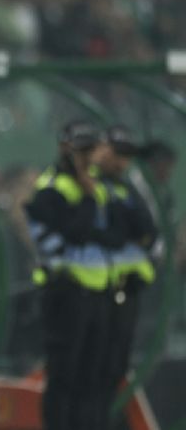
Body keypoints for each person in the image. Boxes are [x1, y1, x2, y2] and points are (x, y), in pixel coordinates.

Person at [23, 121, 120, 430]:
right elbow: (75, 234)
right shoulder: (51, 190)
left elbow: (111, 236)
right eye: (81, 150)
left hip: (98, 293)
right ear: (65, 148)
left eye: (91, 149)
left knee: (93, 378)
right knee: (64, 377)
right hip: (66, 293)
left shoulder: (100, 185)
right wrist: (89, 199)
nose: (87, 157)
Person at [95, 125, 157, 427]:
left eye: (127, 156)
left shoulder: (127, 188)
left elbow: (149, 231)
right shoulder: (88, 184)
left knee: (115, 369)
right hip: (91, 294)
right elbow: (105, 234)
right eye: (117, 153)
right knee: (87, 370)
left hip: (125, 291)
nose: (121, 162)